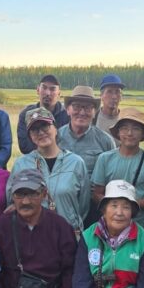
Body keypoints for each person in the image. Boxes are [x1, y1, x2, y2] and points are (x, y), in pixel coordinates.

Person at [7, 107, 89, 233]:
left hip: (69, 234)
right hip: (33, 235)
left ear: (55, 129)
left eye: (45, 126)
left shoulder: (76, 163)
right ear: (30, 136)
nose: (40, 132)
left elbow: (83, 204)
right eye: (35, 129)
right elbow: (12, 200)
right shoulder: (21, 164)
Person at [91, 108, 144, 232]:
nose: (129, 133)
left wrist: (129, 206)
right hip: (110, 226)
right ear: (118, 132)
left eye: (136, 128)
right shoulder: (104, 159)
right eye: (124, 128)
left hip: (139, 227)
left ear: (142, 134)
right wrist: (114, 209)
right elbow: (96, 194)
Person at [57, 85, 116, 227]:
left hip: (94, 208)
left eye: (88, 108)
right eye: (77, 107)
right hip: (61, 205)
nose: (82, 112)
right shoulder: (56, 137)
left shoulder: (105, 141)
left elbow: (112, 176)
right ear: (68, 110)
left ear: (95, 112)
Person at [17, 74, 70, 154]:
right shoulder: (26, 114)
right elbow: (24, 146)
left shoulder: (67, 115)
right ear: (38, 90)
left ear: (59, 93)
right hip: (33, 160)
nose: (47, 93)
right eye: (44, 88)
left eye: (52, 89)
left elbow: (69, 143)